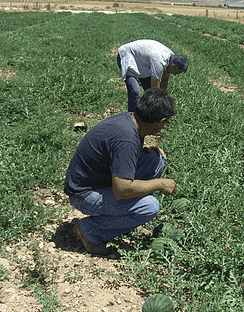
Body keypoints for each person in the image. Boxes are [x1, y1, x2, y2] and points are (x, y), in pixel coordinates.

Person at [64, 88, 177, 256]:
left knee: (154, 159)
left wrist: (145, 148)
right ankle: (89, 230)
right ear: (161, 121)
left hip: (97, 180)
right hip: (83, 195)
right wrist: (160, 184)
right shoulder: (126, 139)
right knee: (149, 207)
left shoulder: (130, 119)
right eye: (165, 123)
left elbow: (117, 150)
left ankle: (122, 219)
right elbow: (121, 189)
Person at [117, 39, 188, 112]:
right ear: (173, 66)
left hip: (141, 62)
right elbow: (155, 88)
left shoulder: (172, 58)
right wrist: (159, 105)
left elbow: (165, 76)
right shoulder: (159, 61)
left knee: (149, 90)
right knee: (135, 91)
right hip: (127, 56)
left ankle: (145, 112)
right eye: (177, 72)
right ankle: (132, 116)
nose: (175, 74)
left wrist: (162, 96)